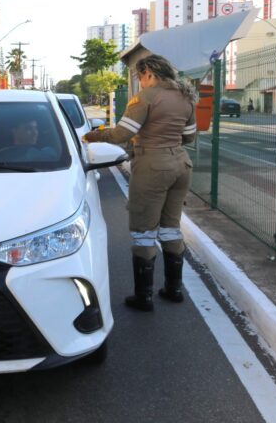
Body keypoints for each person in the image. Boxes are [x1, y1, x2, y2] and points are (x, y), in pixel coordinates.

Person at [83, 54, 197, 312]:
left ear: (148, 73)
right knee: (171, 228)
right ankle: (174, 289)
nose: (140, 83)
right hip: (181, 164)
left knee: (144, 231)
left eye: (140, 77)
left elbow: (123, 133)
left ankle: (143, 297)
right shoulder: (185, 97)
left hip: (152, 166)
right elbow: (189, 137)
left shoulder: (145, 98)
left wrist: (93, 135)